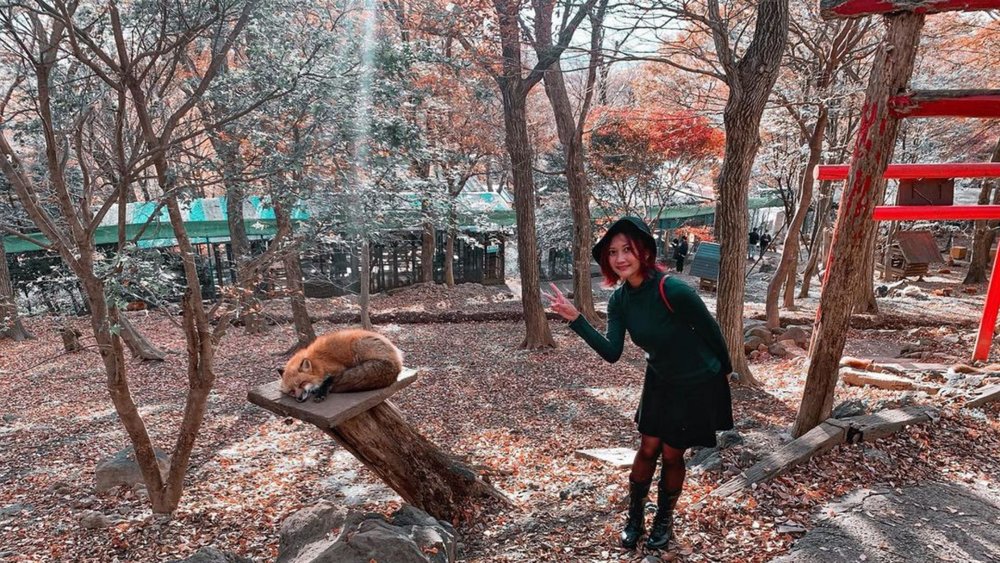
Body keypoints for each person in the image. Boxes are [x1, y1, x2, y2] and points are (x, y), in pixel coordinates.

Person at [542, 216, 734, 551]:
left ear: (643, 251)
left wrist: (723, 375)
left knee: (673, 454)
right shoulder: (619, 301)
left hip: (693, 382)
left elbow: (712, 332)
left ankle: (664, 519)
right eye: (613, 252)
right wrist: (576, 319)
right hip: (659, 378)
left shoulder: (672, 289)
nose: (620, 258)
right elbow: (611, 352)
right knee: (648, 447)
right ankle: (635, 518)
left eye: (627, 249)